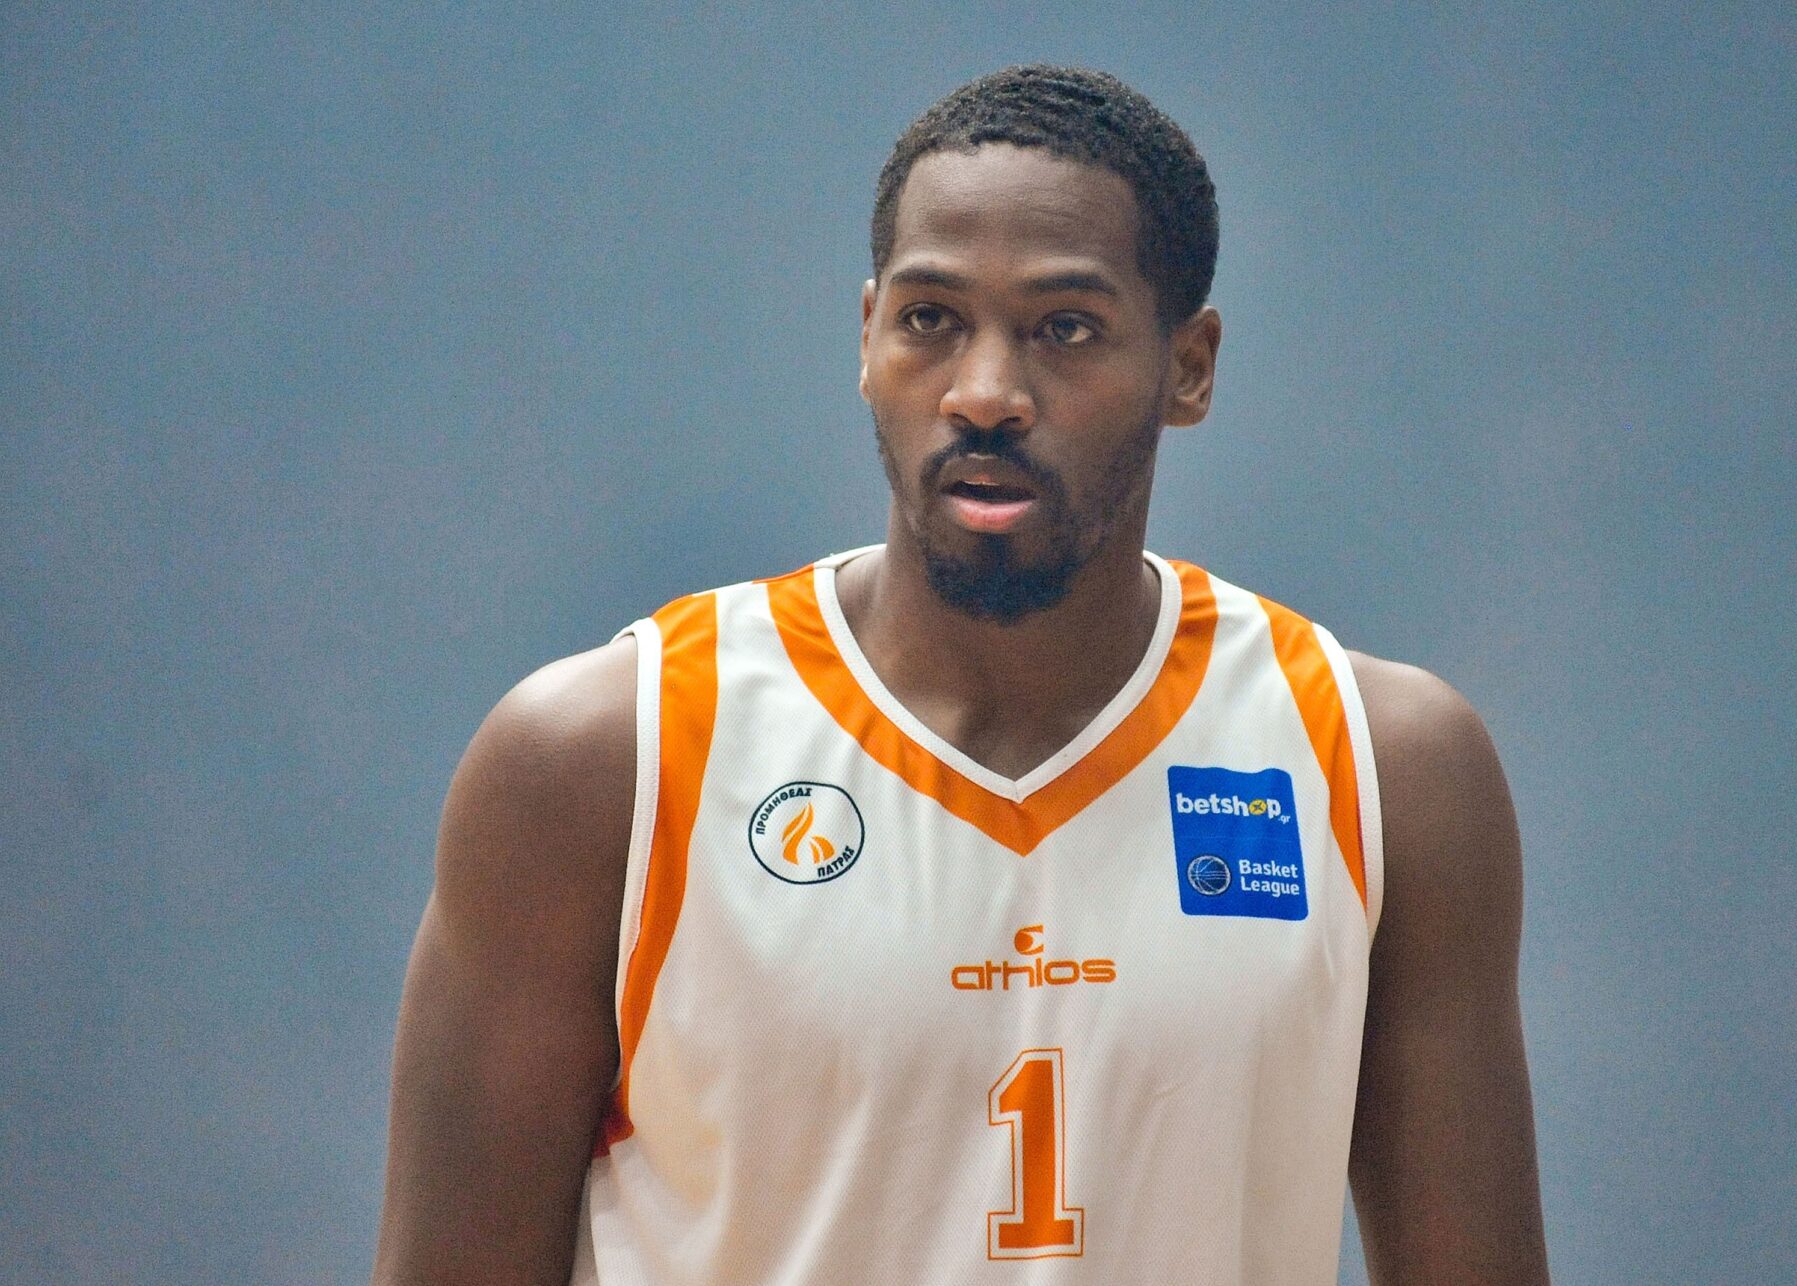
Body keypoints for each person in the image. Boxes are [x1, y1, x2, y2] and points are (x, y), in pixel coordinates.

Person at [374, 65, 1549, 1285]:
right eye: (931, 318)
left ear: (1189, 366)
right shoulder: (607, 760)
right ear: (867, 337)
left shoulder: (1378, 766)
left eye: (1065, 327)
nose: (985, 393)